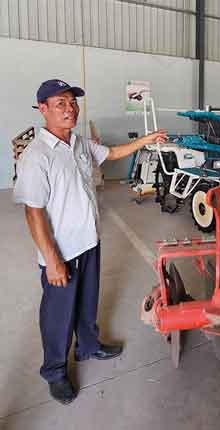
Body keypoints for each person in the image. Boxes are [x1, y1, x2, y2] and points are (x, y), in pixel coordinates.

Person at [13, 79, 168, 405]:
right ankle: (55, 371)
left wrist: (146, 140)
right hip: (61, 252)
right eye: (60, 103)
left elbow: (112, 153)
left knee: (86, 302)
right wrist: (52, 259)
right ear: (43, 109)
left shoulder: (79, 143)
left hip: (88, 242)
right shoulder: (37, 156)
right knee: (57, 314)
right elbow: (34, 214)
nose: (69, 109)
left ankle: (88, 345)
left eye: (72, 102)